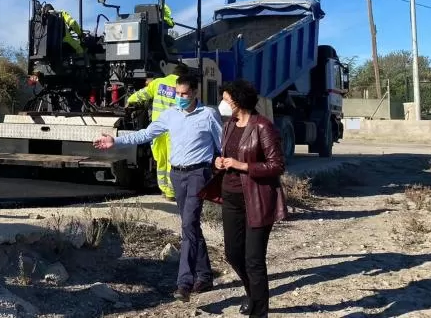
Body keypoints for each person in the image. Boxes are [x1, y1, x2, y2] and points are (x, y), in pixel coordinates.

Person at [95, 74, 222, 301]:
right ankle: (204, 275)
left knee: (189, 225)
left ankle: (184, 282)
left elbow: (223, 145)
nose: (180, 98)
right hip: (177, 175)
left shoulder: (208, 115)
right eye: (177, 94)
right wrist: (117, 141)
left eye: (184, 94)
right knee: (190, 225)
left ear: (195, 93)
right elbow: (146, 134)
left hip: (198, 174)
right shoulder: (170, 115)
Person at [214, 79, 287, 317]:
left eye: (226, 99)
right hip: (231, 197)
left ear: (238, 100)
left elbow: (276, 166)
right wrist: (218, 162)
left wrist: (242, 165)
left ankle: (260, 312)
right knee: (233, 255)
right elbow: (225, 154)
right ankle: (252, 294)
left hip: (256, 199)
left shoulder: (263, 127)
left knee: (254, 260)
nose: (222, 104)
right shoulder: (229, 125)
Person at [126, 63, 192, 201]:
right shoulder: (182, 87)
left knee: (160, 161)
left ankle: (163, 189)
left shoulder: (158, 83)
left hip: (157, 129)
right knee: (172, 161)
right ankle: (171, 193)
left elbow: (142, 94)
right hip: (174, 130)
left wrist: (129, 100)